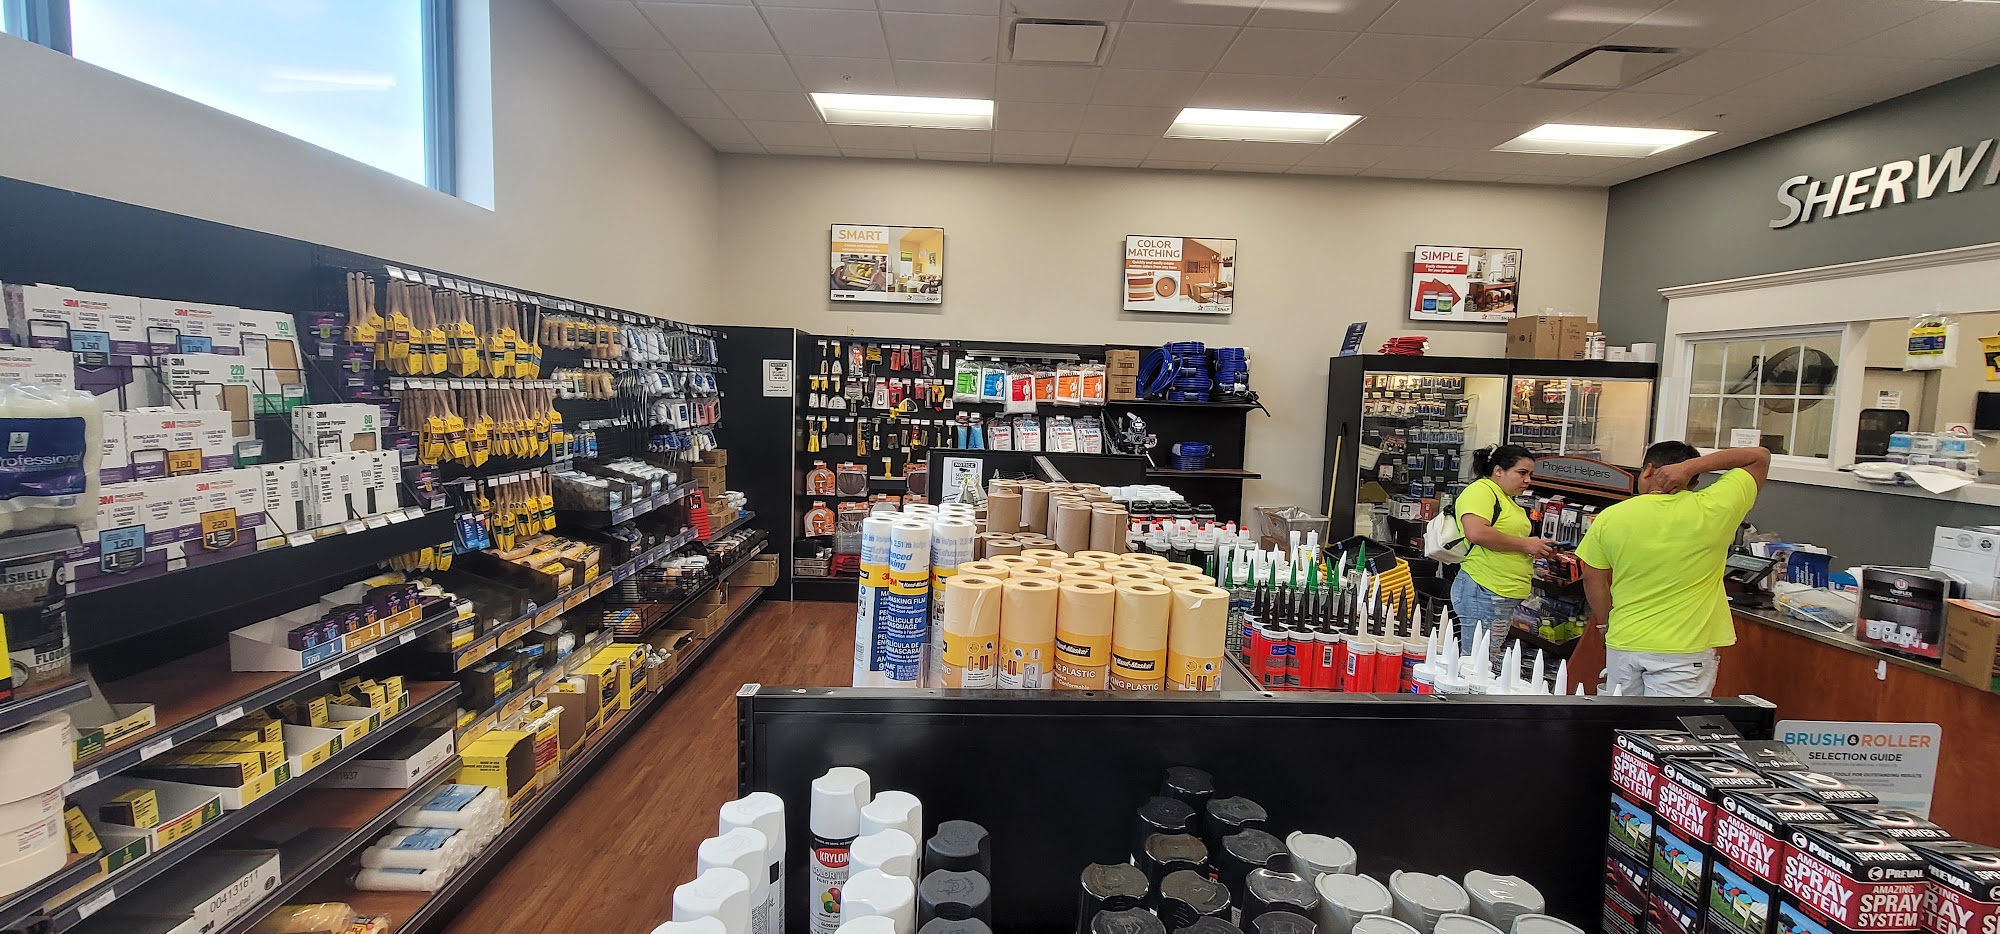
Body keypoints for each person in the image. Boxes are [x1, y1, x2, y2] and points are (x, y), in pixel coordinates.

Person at [1577, 441, 1772, 697]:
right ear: (1693, 480)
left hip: (1625, 642)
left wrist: (1604, 625)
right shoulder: (1713, 508)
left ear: (1648, 470)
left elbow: (1592, 578)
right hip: (1684, 651)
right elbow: (1760, 457)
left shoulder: (1610, 517)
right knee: (1670, 723)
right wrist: (1690, 467)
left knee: (1622, 720)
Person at [1449, 444, 1555, 667]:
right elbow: (1476, 532)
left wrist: (1534, 555)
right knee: (1475, 663)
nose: (1528, 480)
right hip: (1484, 590)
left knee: (1484, 660)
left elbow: (1507, 543)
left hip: (1497, 593)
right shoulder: (1481, 491)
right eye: (1522, 472)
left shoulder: (1505, 498)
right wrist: (1526, 544)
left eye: (1530, 474)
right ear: (1498, 470)